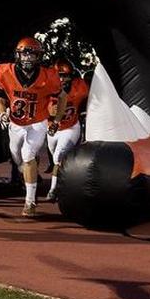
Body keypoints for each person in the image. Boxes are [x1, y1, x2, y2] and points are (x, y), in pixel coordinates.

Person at [0, 37, 65, 218]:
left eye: (32, 54)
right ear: (18, 55)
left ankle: (30, 201)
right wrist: (2, 113)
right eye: (24, 54)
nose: (28, 58)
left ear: (38, 56)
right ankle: (26, 170)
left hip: (37, 121)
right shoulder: (5, 72)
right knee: (17, 157)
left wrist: (56, 120)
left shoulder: (48, 76)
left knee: (28, 156)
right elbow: (0, 101)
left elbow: (62, 97)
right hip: (16, 124)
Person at [46, 58, 90, 202]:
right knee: (58, 161)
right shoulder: (46, 88)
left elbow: (92, 96)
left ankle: (53, 190)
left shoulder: (79, 88)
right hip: (52, 130)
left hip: (71, 127)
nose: (62, 79)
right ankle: (68, 184)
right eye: (59, 75)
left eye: (65, 76)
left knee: (58, 157)